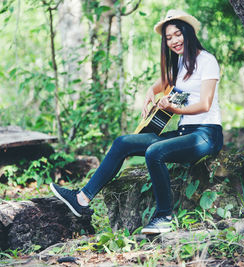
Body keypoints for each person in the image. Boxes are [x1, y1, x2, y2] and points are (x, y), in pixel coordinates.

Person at [50, 9, 223, 234]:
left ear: (188, 33)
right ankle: (82, 199)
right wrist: (151, 92)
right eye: (168, 38)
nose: (174, 41)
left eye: (177, 34)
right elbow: (162, 83)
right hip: (184, 133)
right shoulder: (181, 64)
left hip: (206, 135)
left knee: (155, 151)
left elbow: (205, 104)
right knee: (123, 142)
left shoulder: (207, 60)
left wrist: (174, 108)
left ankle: (165, 217)